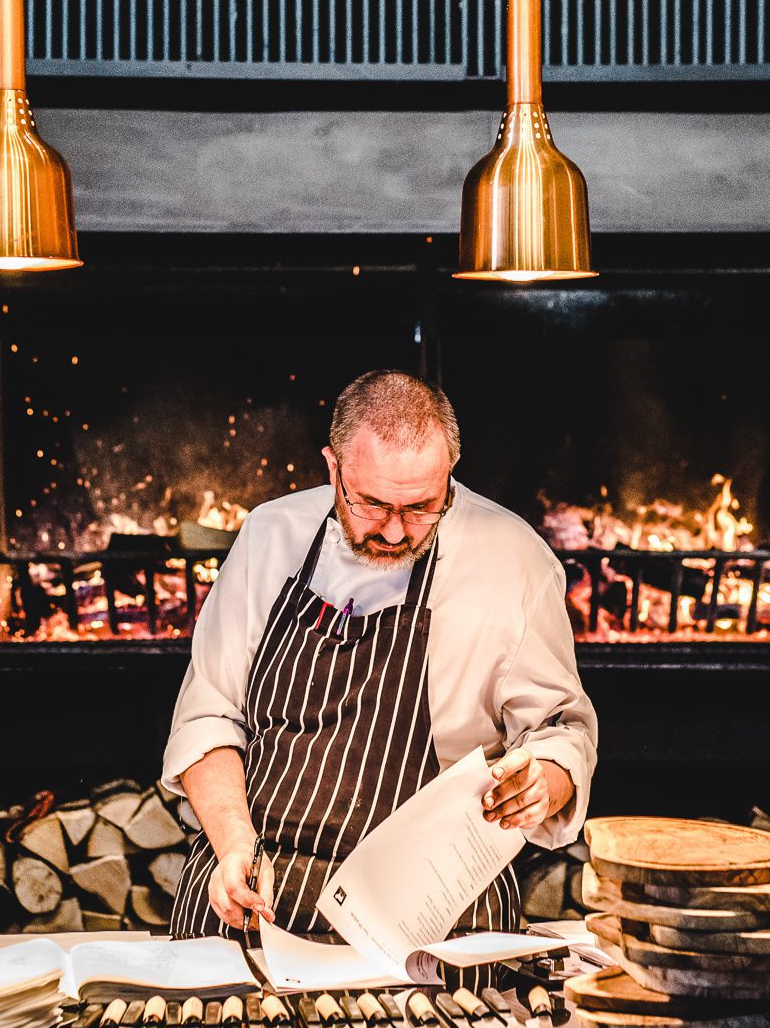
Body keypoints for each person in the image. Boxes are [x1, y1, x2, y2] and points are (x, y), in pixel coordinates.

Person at [162, 369, 597, 941]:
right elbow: (209, 715)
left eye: (421, 507)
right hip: (264, 887)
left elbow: (561, 730)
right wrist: (232, 842)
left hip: (437, 915)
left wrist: (547, 777)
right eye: (371, 504)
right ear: (332, 466)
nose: (394, 532)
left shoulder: (514, 561)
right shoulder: (270, 536)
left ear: (449, 476)